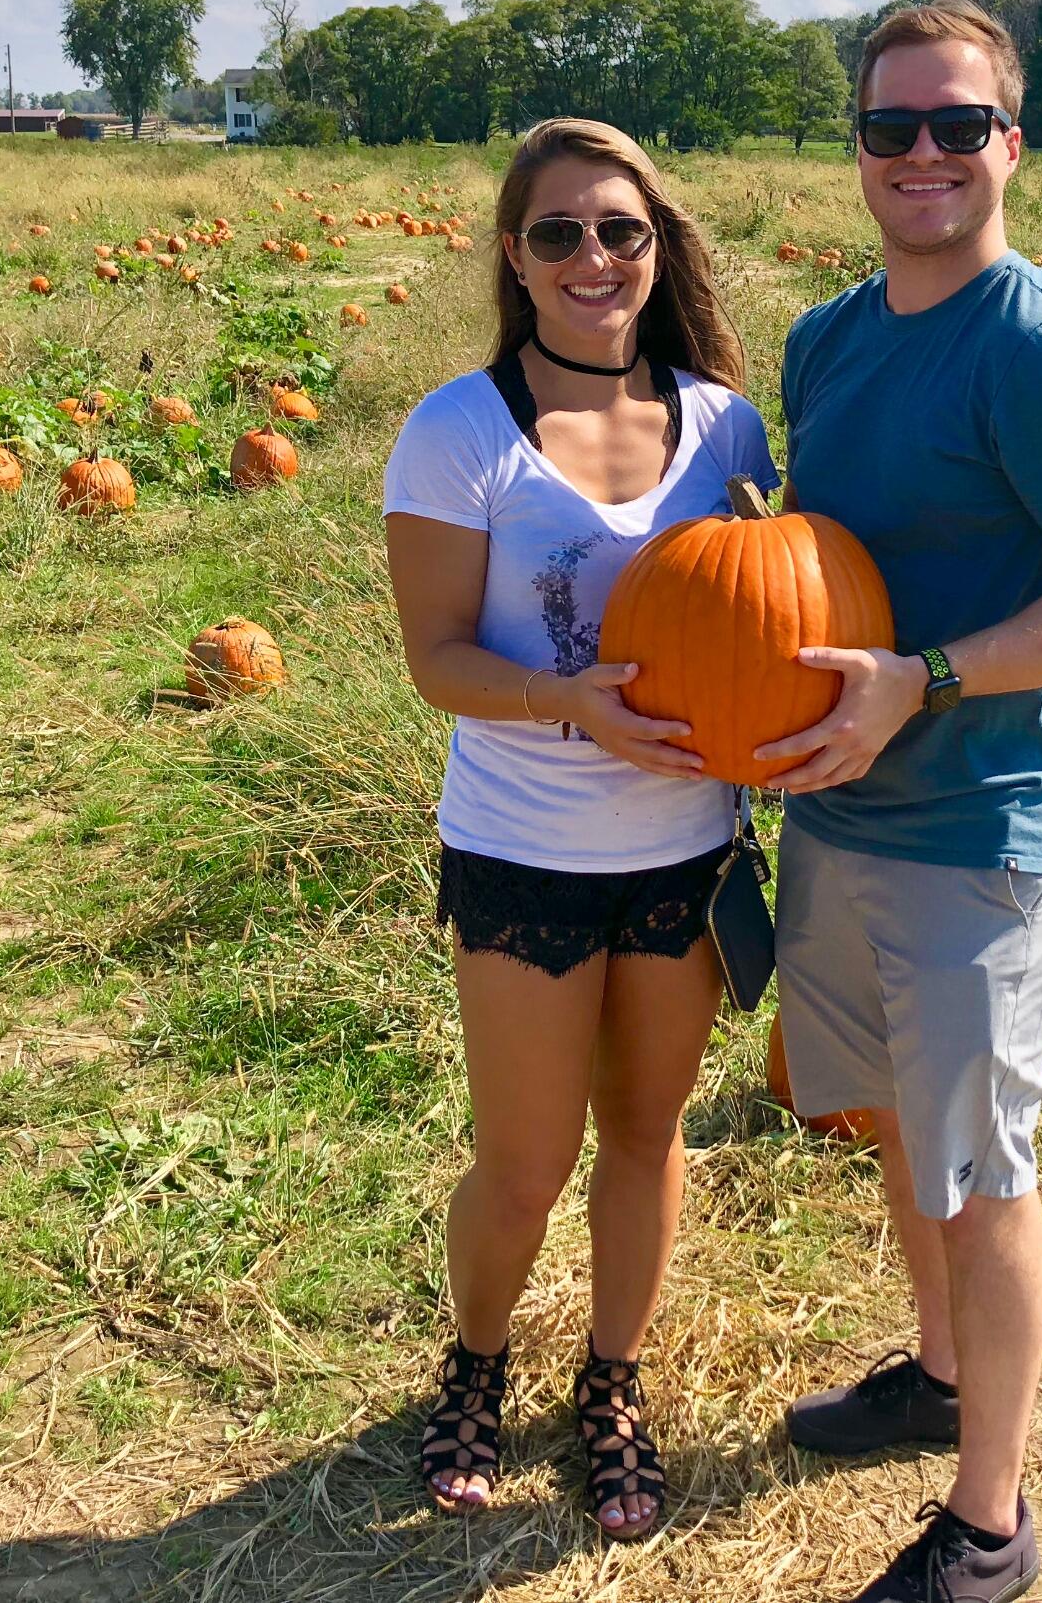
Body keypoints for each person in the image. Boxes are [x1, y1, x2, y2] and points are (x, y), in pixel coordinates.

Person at [754, 0, 1042, 1602]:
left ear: (1012, 143)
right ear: (859, 149)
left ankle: (991, 1523)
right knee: (898, 1128)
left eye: (957, 126)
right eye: (892, 128)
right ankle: (935, 1373)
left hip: (981, 827)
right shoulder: (827, 339)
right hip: (843, 814)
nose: (922, 154)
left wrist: (922, 682)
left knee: (987, 1169)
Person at [382, 117, 778, 1540]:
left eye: (622, 229)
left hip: (685, 855)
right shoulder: (460, 430)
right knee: (526, 1157)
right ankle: (476, 1366)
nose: (594, 257)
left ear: (658, 246)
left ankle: (614, 1385)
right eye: (560, 232)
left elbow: (763, 607)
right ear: (515, 255)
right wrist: (574, 704)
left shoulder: (725, 421)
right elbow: (437, 659)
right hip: (528, 855)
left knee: (648, 1133)